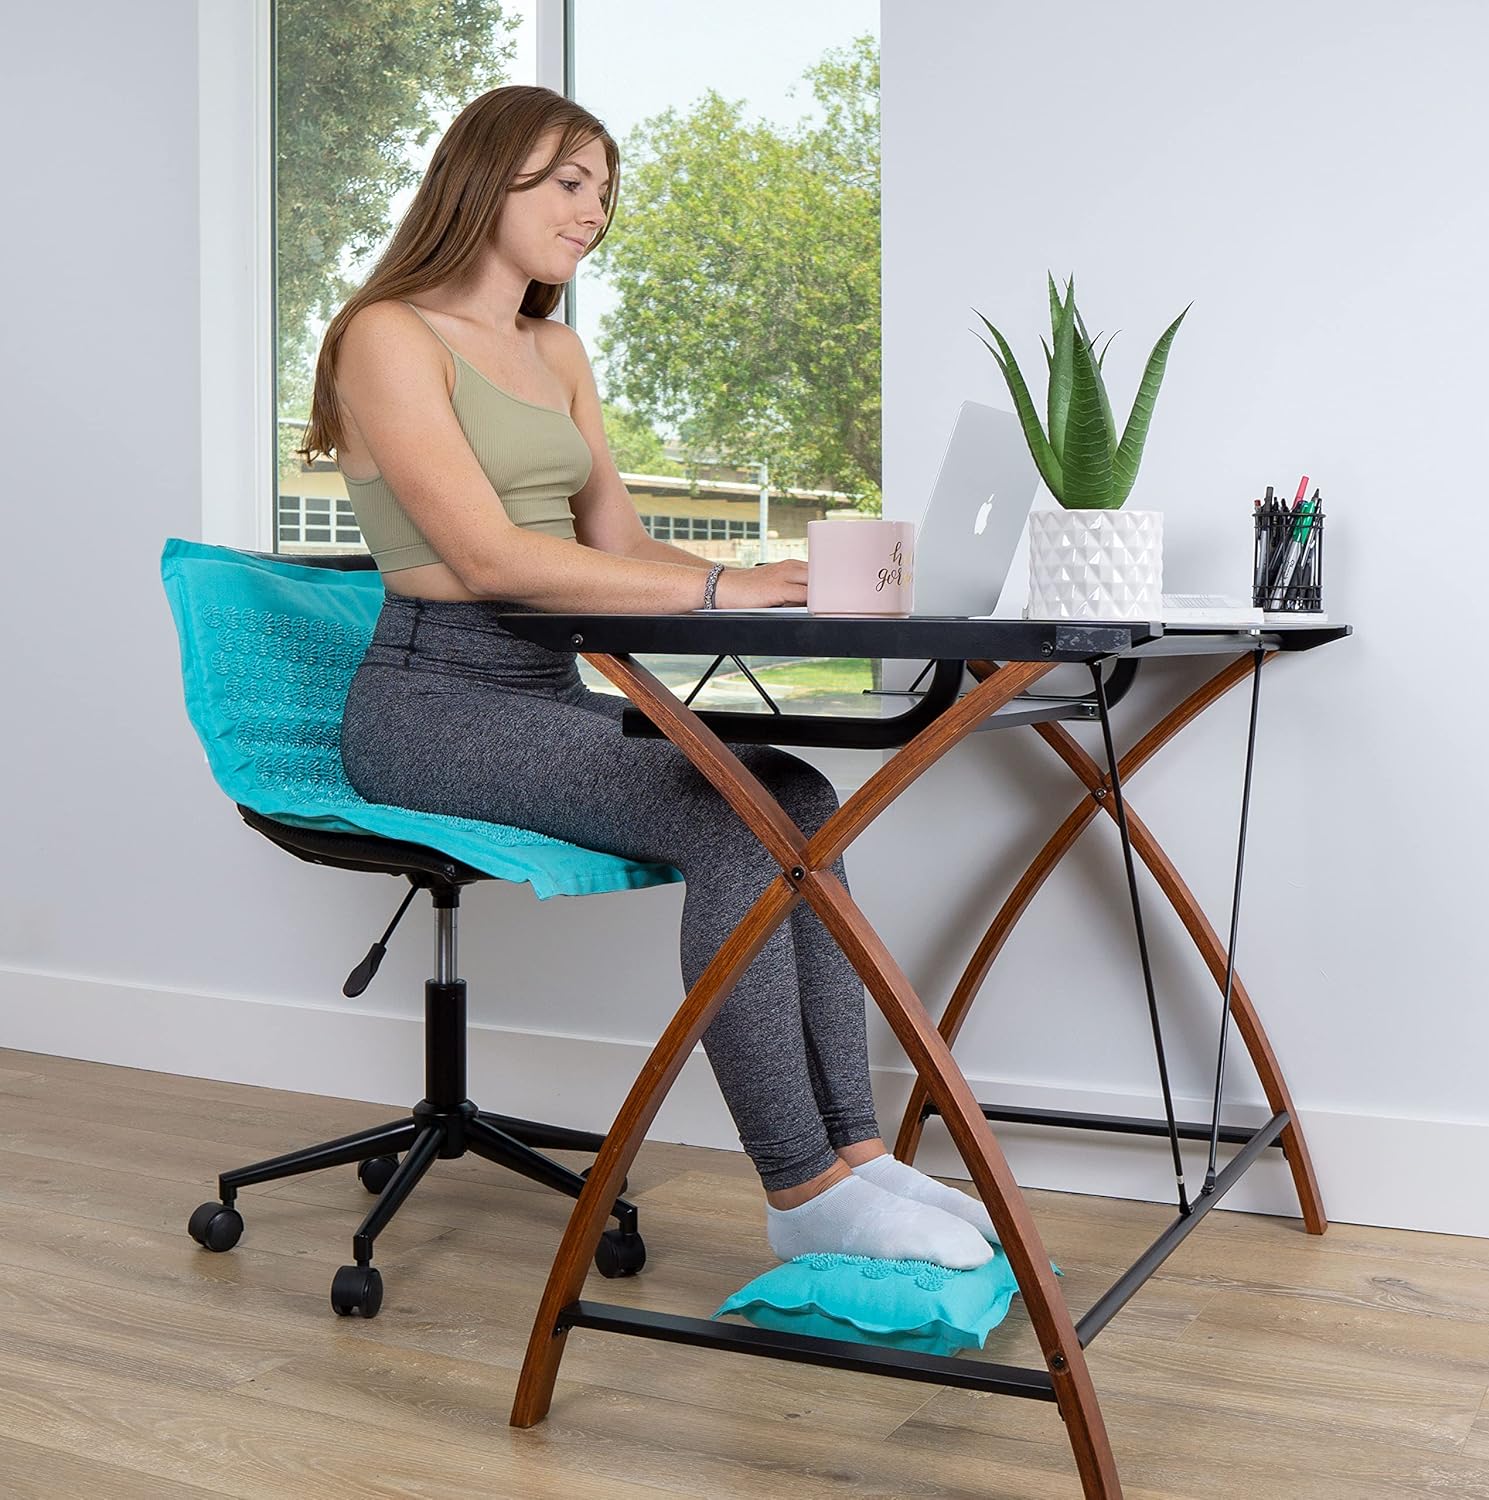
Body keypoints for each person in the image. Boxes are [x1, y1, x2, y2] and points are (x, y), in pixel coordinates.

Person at [301, 85, 997, 1270]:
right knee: (735, 823)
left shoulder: (555, 349)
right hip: (430, 704)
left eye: (604, 191)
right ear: (485, 178)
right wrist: (725, 593)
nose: (594, 211)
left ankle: (855, 1156)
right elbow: (484, 557)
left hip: (544, 692)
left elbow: (616, 543)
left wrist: (779, 579)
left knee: (802, 798)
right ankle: (799, 1189)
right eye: (569, 183)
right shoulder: (388, 334)